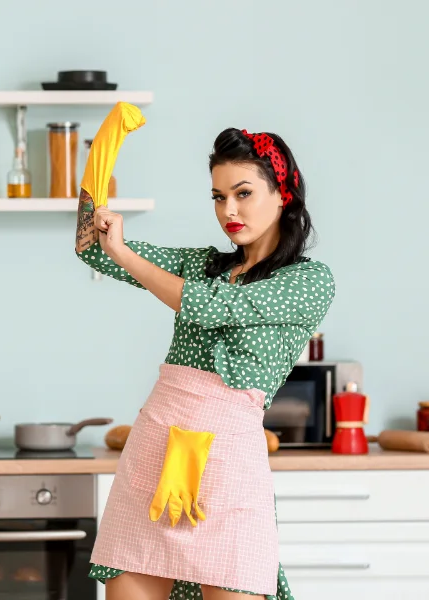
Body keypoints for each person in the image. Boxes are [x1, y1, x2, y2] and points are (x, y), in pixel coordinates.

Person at [75, 126, 335, 600]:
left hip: (227, 462)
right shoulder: (202, 265)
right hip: (155, 446)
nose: (228, 211)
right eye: (218, 197)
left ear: (284, 195)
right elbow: (94, 250)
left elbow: (210, 306)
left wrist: (124, 255)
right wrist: (95, 186)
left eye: (243, 193)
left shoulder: (308, 281)